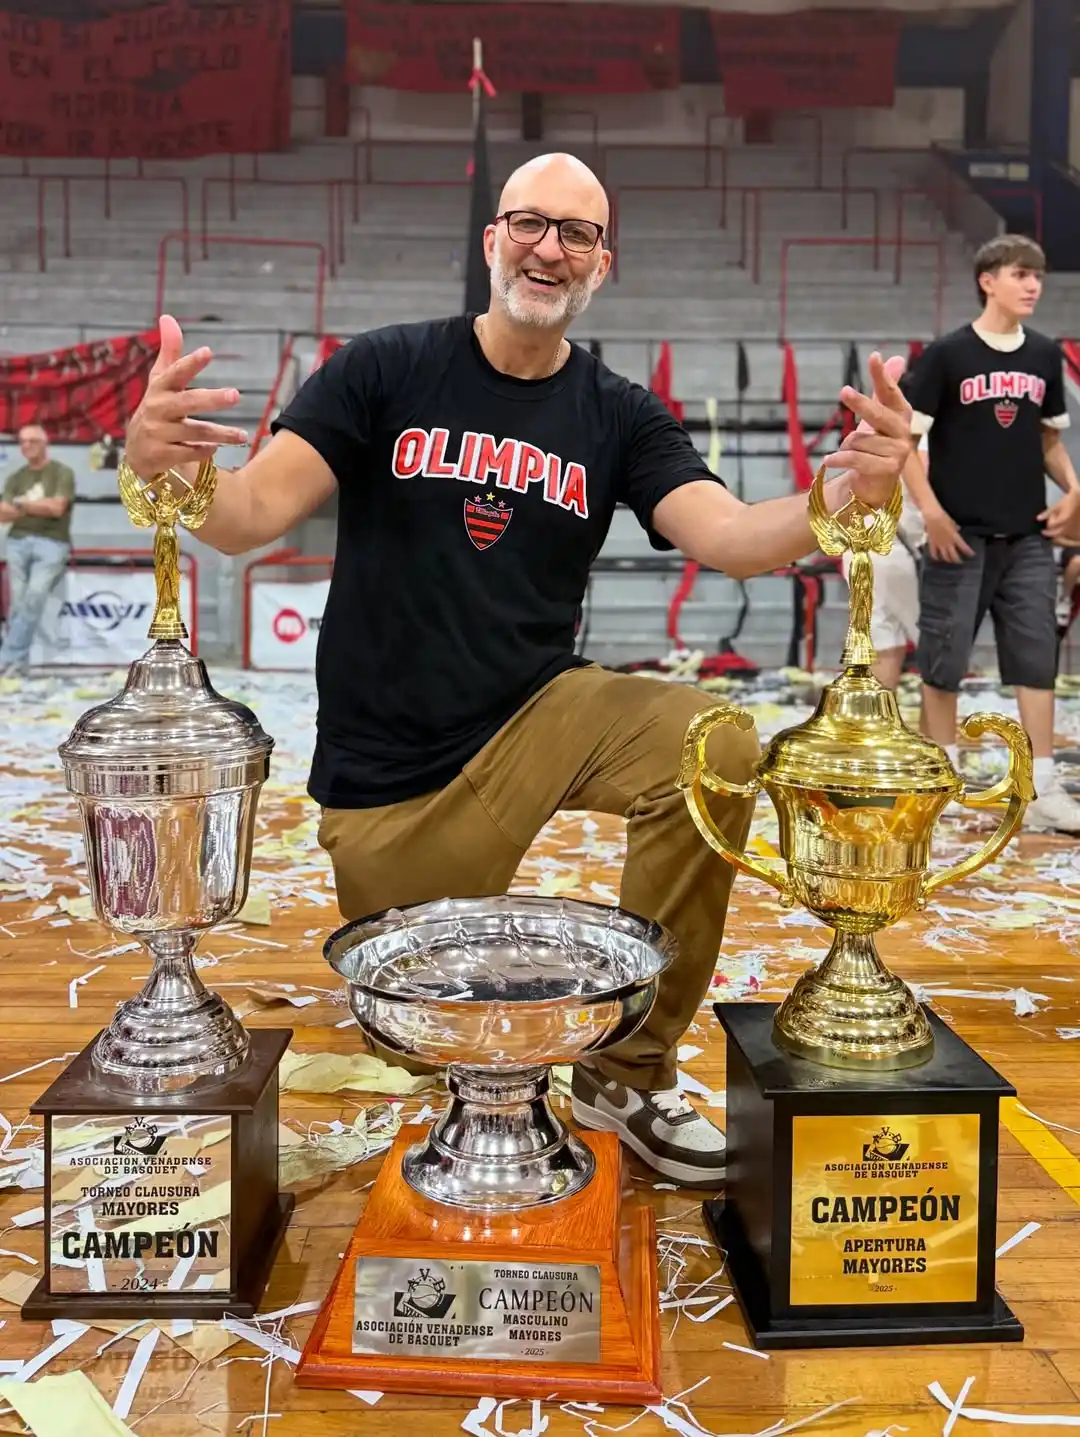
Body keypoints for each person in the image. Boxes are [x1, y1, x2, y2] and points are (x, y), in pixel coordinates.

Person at [121, 153, 912, 1186]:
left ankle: (626, 1072)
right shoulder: (384, 368)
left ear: (602, 265)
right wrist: (171, 468)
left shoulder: (618, 413)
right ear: (492, 240)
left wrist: (837, 496)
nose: (550, 247)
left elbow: (727, 535)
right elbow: (249, 515)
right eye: (530, 224)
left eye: (576, 233)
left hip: (541, 715)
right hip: (392, 786)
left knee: (714, 739)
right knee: (427, 1049)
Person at [903, 234, 1080, 834]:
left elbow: (1048, 440)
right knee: (943, 662)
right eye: (1021, 274)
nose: (1033, 285)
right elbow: (901, 441)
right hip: (959, 535)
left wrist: (1075, 490)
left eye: (1039, 275)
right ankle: (942, 778)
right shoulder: (948, 355)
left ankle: (1040, 787)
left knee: (1037, 660)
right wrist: (930, 512)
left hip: (1027, 535)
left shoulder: (1044, 354)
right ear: (988, 280)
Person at [841, 433, 928, 690]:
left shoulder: (884, 425)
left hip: (862, 538)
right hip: (902, 548)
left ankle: (878, 728)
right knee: (938, 656)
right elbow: (925, 468)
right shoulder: (934, 425)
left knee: (881, 645)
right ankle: (935, 731)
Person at [0, 424, 76, 677]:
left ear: (45, 443)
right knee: (18, 604)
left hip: (52, 542)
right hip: (17, 541)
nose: (26, 446)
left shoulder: (61, 472)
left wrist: (20, 505)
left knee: (33, 598)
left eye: (32, 441)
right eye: (22, 442)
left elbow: (57, 508)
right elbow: (2, 513)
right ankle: (17, 666)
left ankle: (6, 658)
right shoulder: (16, 477)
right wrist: (33, 506)